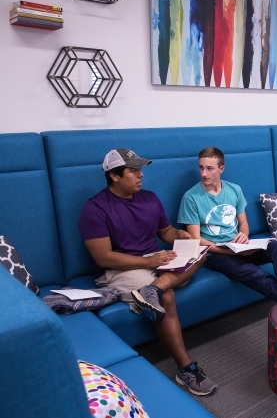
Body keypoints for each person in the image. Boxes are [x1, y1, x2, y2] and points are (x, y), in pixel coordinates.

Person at [79, 148, 217, 397]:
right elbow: (103, 257)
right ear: (115, 176)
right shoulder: (95, 209)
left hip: (155, 263)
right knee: (167, 297)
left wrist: (180, 235)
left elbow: (165, 232)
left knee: (203, 250)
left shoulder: (150, 198)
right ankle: (186, 369)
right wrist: (149, 261)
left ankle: (152, 289)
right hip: (118, 269)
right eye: (134, 171)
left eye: (140, 169)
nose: (141, 175)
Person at [177, 147, 277, 315]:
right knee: (255, 273)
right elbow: (196, 240)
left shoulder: (234, 190)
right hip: (216, 254)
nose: (204, 173)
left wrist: (243, 235)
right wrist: (234, 253)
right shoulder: (191, 197)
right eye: (201, 167)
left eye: (210, 168)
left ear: (221, 169)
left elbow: (244, 223)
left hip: (239, 246)